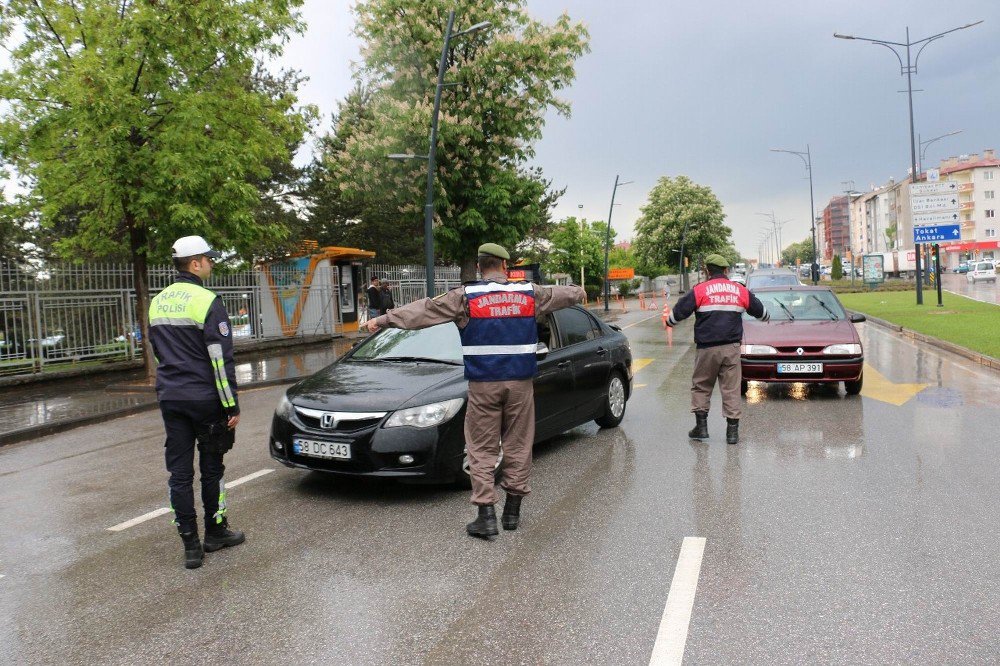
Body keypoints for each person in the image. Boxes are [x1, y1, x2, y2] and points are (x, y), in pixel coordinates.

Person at [366, 243, 585, 539]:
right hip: (520, 385)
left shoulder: (464, 297)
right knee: (518, 445)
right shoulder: (529, 293)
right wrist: (578, 291)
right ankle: (512, 512)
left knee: (482, 448)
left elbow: (424, 311)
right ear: (505, 268)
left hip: (483, 386)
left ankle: (486, 517)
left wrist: (383, 319)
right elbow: (563, 295)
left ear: (480, 267)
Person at [148, 236, 245, 569]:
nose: (212, 263)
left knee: (178, 474)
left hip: (171, 396)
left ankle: (190, 546)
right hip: (205, 398)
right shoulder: (207, 300)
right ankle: (215, 532)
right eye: (208, 259)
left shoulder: (157, 302)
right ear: (195, 263)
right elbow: (219, 359)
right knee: (212, 469)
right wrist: (230, 404)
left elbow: (159, 353)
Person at [665, 254, 769, 445]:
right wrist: (765, 317)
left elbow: (678, 313)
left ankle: (701, 427)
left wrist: (669, 321)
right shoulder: (740, 290)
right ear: (726, 270)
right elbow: (761, 312)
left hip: (706, 349)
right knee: (731, 388)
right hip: (732, 348)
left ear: (707, 271)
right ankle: (732, 433)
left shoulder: (700, 290)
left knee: (702, 386)